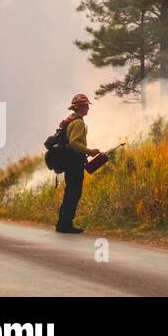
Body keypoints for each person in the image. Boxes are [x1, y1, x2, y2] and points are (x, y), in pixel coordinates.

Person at [55, 93, 101, 234]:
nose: (88, 108)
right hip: (75, 161)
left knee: (70, 192)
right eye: (86, 106)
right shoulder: (79, 123)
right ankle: (66, 225)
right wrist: (90, 151)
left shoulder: (70, 120)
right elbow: (74, 143)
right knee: (74, 193)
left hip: (70, 161)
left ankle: (62, 223)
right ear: (79, 107)